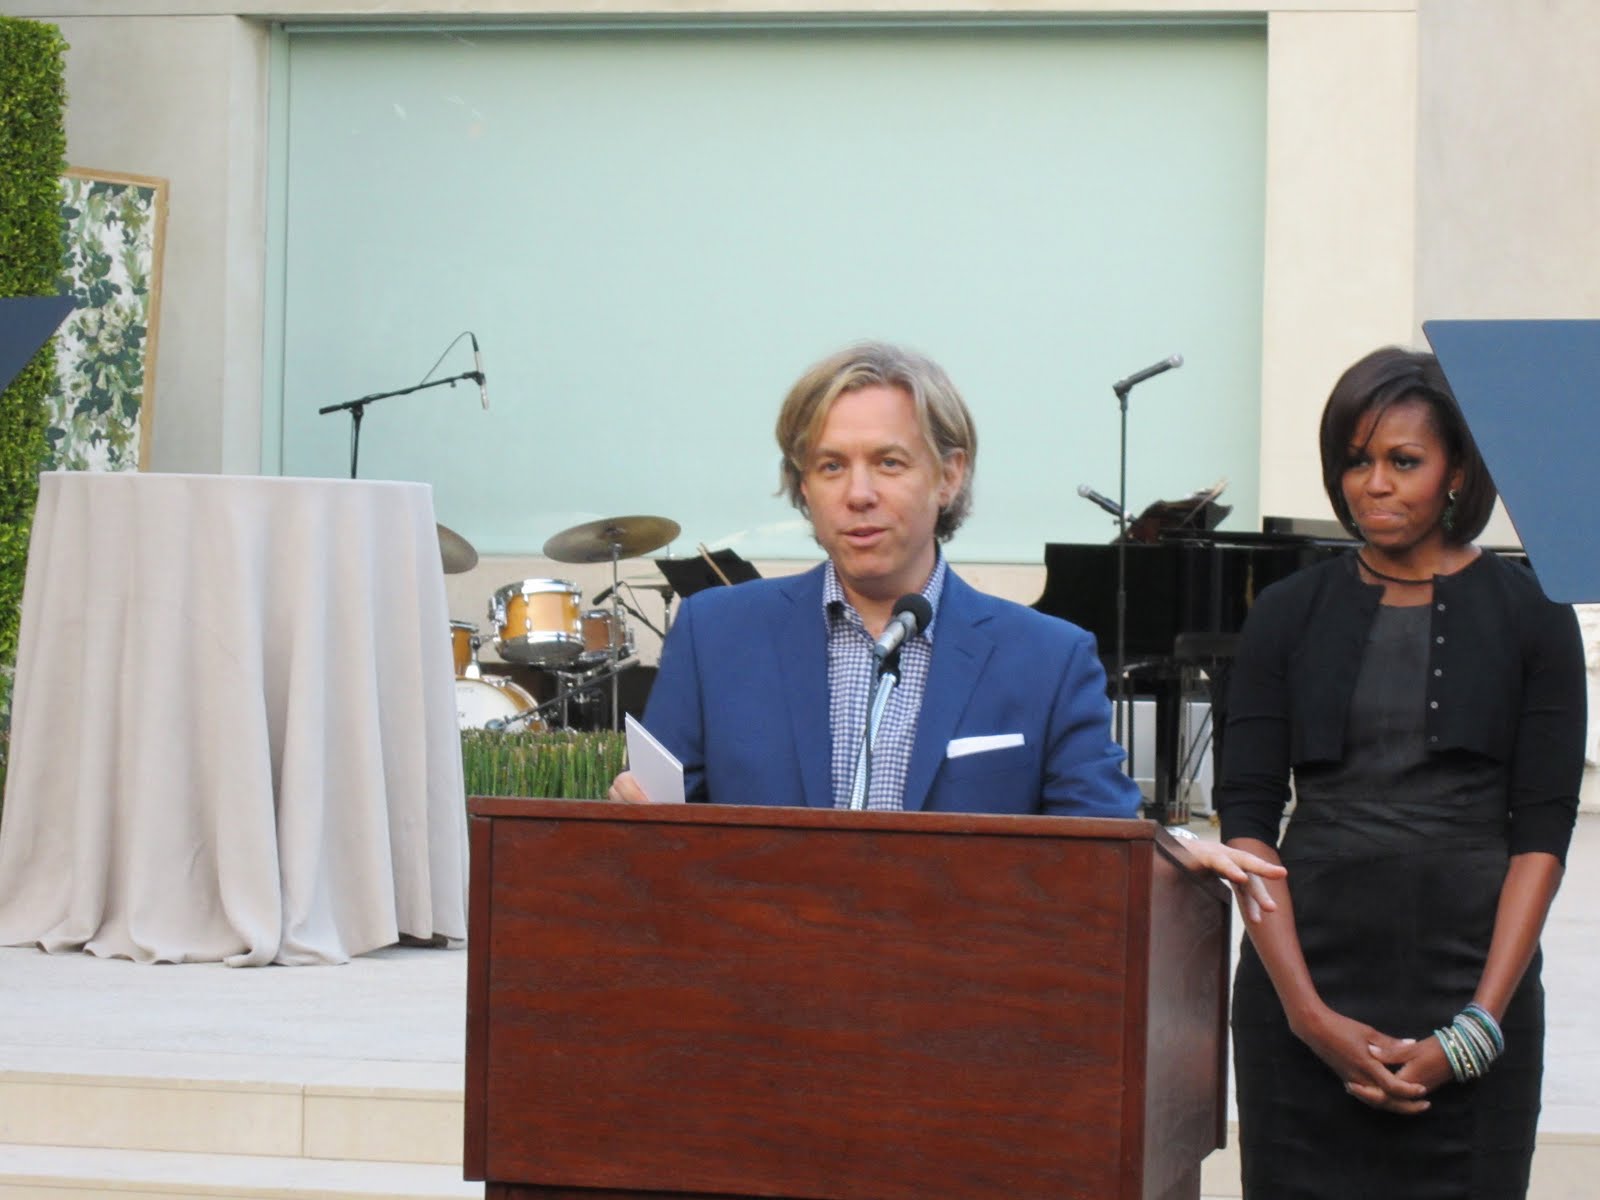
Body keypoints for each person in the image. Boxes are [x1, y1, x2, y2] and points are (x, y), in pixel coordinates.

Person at [610, 340, 1281, 908]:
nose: (859, 492)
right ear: (804, 487)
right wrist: (627, 829)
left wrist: (1174, 854)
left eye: (889, 462)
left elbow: (1106, 848)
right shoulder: (715, 635)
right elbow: (661, 847)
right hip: (752, 1011)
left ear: (950, 475)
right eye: (831, 465)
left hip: (958, 1016)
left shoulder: (1047, 660)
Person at [1217, 346, 1587, 1198]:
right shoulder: (1285, 613)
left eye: (1403, 460)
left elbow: (1542, 831)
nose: (1372, 483)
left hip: (1471, 986)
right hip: (1302, 987)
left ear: (1457, 470)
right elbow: (1245, 821)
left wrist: (1478, 1026)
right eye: (1355, 460)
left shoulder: (1536, 618)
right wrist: (1308, 1019)